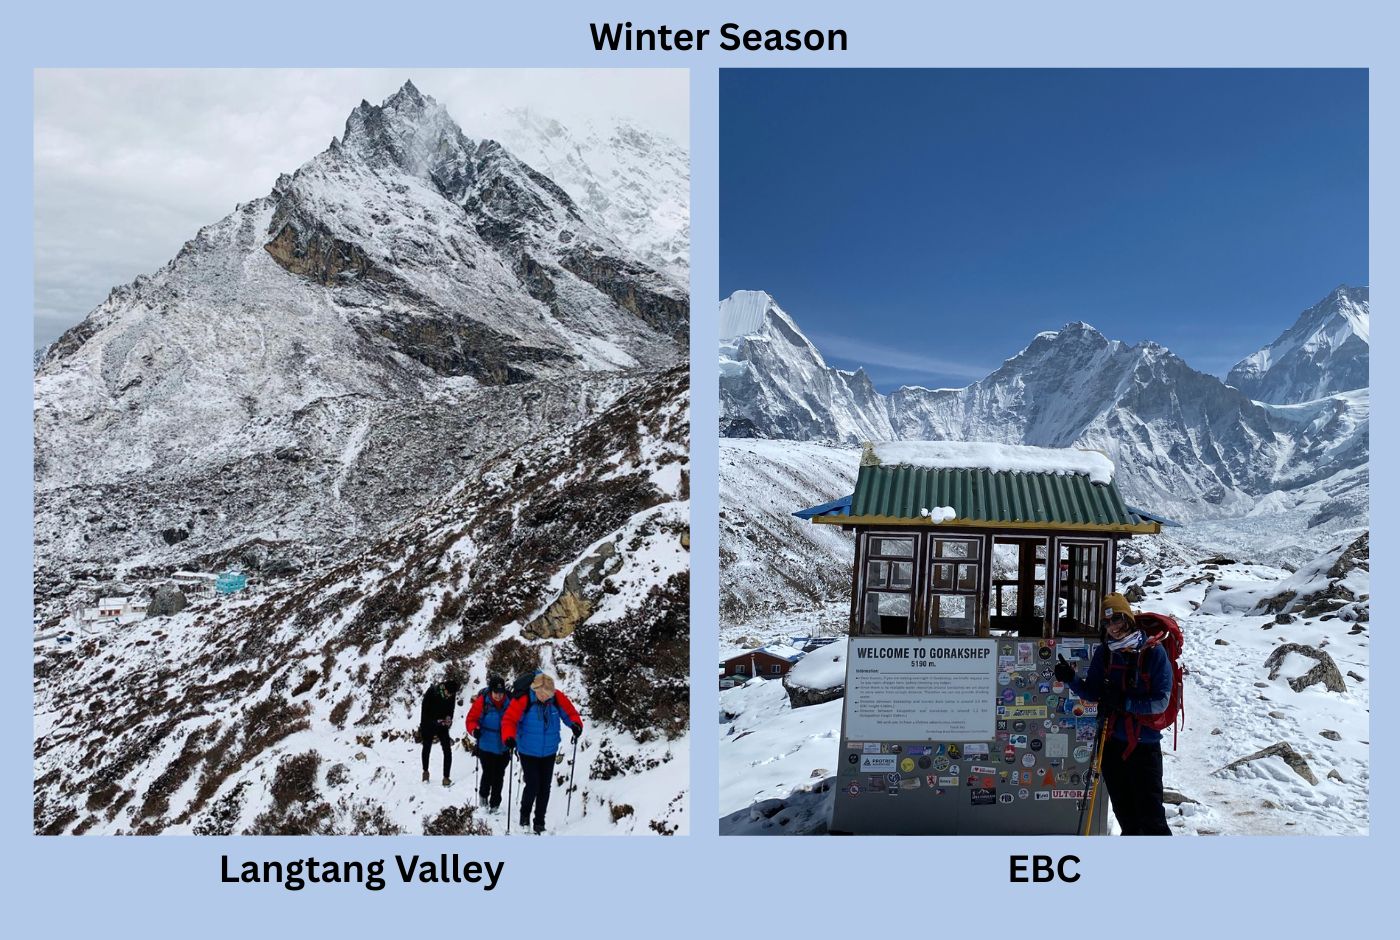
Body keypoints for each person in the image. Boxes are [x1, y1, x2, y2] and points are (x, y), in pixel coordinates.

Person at [1054, 593, 1172, 835]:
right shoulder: (1105, 653)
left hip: (1144, 747)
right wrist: (1071, 679)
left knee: (1151, 820)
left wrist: (1124, 703)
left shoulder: (1153, 652)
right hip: (1111, 744)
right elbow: (1093, 692)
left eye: (1117, 619)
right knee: (1125, 815)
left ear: (1128, 618)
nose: (1113, 627)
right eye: (1107, 622)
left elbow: (1161, 702)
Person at [501, 672, 583, 834]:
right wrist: (509, 737)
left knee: (545, 787)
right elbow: (509, 720)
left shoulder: (557, 698)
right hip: (528, 750)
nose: (545, 698)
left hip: (549, 750)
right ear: (535, 689)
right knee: (533, 784)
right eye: (542, 695)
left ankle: (539, 821)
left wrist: (575, 725)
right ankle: (524, 815)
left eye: (548, 695)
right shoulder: (524, 699)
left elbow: (570, 713)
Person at [464, 674, 511, 812]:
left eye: (501, 693)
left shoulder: (510, 703)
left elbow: (516, 722)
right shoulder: (482, 702)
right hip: (486, 745)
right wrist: (474, 731)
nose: (498, 695)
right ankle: (484, 796)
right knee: (488, 773)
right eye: (496, 692)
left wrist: (514, 738)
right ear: (491, 691)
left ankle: (495, 803)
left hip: (503, 746)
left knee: (499, 776)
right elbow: (471, 720)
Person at [419, 676, 462, 786]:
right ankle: (425, 772)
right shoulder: (432, 692)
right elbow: (424, 712)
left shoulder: (451, 694)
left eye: (452, 694)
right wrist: (435, 721)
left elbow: (451, 709)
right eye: (448, 693)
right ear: (445, 689)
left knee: (447, 750)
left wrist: (449, 718)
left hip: (442, 725)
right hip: (428, 724)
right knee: (427, 747)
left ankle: (446, 778)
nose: (450, 696)